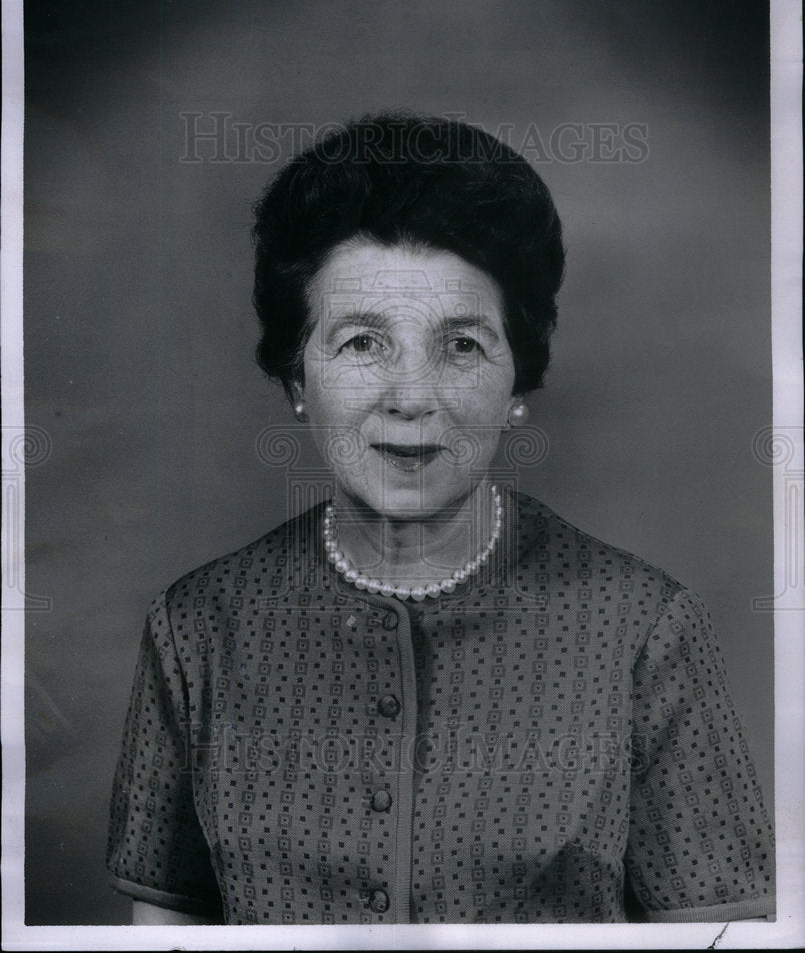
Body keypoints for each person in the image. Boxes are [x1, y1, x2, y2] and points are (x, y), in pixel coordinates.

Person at [106, 112, 775, 925]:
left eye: (460, 345)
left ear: (516, 382)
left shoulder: (642, 628)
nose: (412, 397)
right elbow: (165, 934)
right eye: (361, 343)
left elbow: (717, 936)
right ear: (295, 378)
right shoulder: (197, 629)